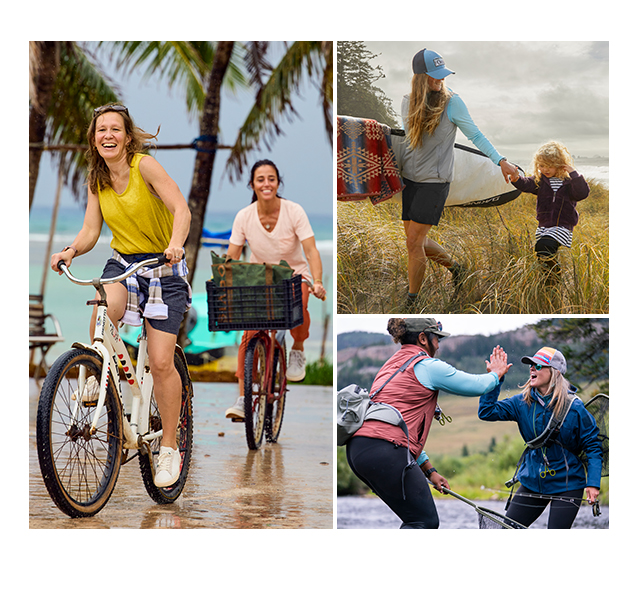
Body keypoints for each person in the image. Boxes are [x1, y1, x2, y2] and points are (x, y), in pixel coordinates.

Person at [50, 103, 192, 488]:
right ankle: (95, 370)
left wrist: (176, 243)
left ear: (128, 136)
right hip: (124, 263)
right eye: (101, 130)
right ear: (93, 139)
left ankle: (168, 447)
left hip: (164, 265)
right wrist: (70, 251)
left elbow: (181, 207)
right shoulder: (96, 178)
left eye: (115, 129)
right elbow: (91, 231)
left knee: (162, 362)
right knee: (102, 306)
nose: (107, 136)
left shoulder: (143, 165)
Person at [345, 317, 512, 529]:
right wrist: (496, 374)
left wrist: (429, 470)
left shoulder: (391, 365)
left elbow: (397, 427)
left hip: (359, 451)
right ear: (423, 338)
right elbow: (475, 385)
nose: (439, 344)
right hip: (386, 449)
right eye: (437, 338)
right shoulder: (426, 365)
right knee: (423, 521)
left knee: (416, 519)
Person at [394, 49, 519, 308]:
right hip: (410, 179)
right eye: (434, 76)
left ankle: (412, 300)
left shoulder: (452, 103)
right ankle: (457, 269)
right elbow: (407, 141)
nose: (440, 80)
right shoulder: (407, 101)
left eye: (442, 75)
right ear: (420, 77)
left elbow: (475, 135)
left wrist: (501, 161)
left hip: (435, 182)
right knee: (415, 240)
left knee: (413, 242)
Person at [224, 159, 327, 420]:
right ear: (252, 185)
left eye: (271, 178)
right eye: (261, 179)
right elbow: (232, 255)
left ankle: (298, 349)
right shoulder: (244, 216)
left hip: (294, 275)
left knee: (298, 304)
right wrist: (225, 283)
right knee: (249, 334)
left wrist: (317, 281)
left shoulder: (294, 211)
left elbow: (311, 249)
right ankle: (243, 397)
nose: (266, 184)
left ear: (278, 183)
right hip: (259, 278)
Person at [478, 346, 602, 528]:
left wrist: (593, 483)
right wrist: (495, 378)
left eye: (538, 365)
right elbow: (486, 412)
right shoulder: (520, 403)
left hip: (568, 484)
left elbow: (593, 446)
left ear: (555, 372)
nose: (532, 368)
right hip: (532, 481)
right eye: (531, 365)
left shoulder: (574, 408)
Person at [511, 141, 590, 275]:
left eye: (550, 166)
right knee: (543, 254)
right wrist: (516, 179)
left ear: (560, 165)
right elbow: (526, 184)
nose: (545, 169)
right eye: (542, 166)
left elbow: (582, 193)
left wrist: (574, 174)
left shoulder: (569, 182)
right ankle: (551, 282)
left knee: (544, 246)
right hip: (544, 226)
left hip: (563, 225)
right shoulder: (540, 180)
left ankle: (556, 275)